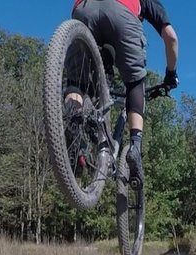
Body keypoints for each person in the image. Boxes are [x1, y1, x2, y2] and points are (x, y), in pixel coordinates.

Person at [66, 0, 179, 188]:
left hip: (83, 10)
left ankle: (74, 125)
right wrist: (170, 75)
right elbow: (171, 37)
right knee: (135, 82)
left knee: (76, 83)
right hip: (122, 14)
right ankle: (135, 146)